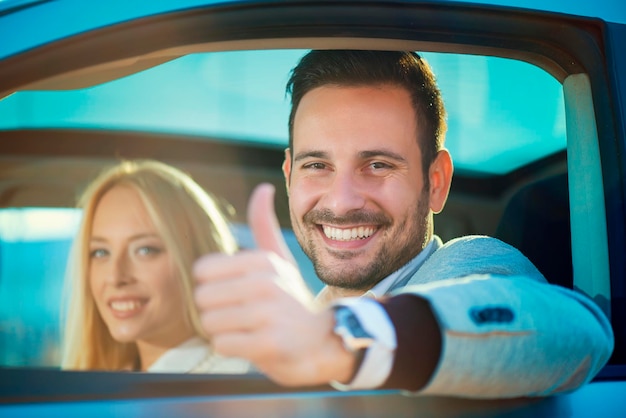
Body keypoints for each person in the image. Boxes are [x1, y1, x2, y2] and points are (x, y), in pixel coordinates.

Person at [193, 50, 614, 398]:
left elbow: (580, 331)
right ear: (288, 176)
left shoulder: (468, 264)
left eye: (377, 165)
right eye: (317, 165)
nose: (341, 202)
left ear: (436, 182)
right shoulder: (296, 324)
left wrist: (342, 339)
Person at [62, 159, 249, 373]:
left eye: (145, 250)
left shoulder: (238, 376)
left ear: (199, 260)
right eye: (101, 252)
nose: (115, 277)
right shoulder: (105, 380)